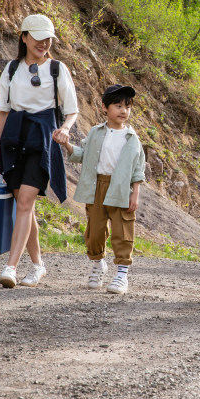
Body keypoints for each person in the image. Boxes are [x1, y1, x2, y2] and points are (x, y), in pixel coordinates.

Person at [0, 14, 78, 288]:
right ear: (24, 37)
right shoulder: (12, 69)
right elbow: (3, 113)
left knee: (26, 202)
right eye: (38, 37)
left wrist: (64, 129)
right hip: (14, 138)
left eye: (48, 38)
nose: (43, 42)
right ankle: (38, 265)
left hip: (43, 138)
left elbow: (72, 110)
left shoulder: (57, 69)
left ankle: (11, 267)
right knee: (22, 204)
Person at [56, 84, 145, 295]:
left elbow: (138, 169)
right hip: (97, 187)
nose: (123, 110)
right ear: (104, 108)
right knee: (94, 231)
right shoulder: (96, 132)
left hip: (121, 188)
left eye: (127, 106)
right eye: (118, 105)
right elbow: (81, 155)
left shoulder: (132, 138)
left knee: (123, 231)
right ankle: (98, 265)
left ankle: (122, 274)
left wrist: (135, 193)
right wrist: (67, 145)